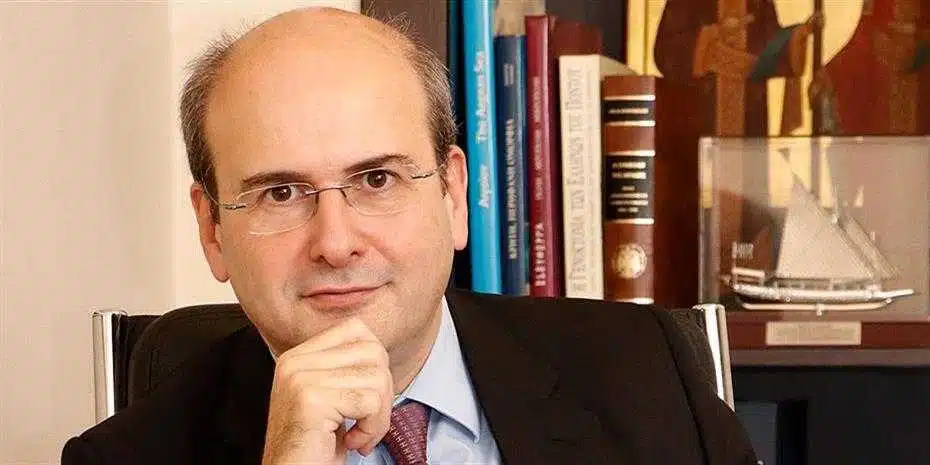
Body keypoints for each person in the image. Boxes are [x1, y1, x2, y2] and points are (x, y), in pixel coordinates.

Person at [61, 7, 758, 465]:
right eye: (281, 192)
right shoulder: (123, 458)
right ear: (212, 229)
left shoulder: (649, 378)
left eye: (377, 180)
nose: (336, 242)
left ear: (452, 196)